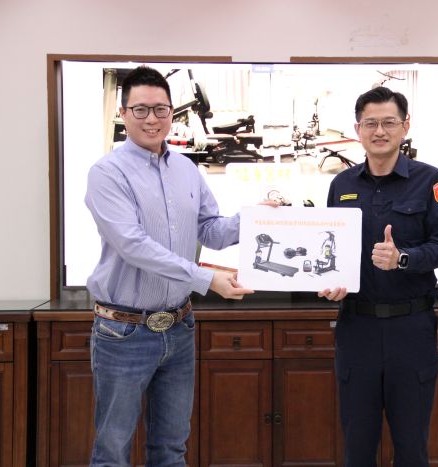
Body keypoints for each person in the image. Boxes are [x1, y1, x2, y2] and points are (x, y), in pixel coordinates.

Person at [84, 66, 258, 466]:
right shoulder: (107, 173)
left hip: (179, 328)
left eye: (160, 109)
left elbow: (211, 230)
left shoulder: (186, 169)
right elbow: (133, 245)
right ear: (124, 113)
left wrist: (258, 220)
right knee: (112, 451)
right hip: (123, 331)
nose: (152, 119)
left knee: (171, 449)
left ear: (171, 112)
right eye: (140, 109)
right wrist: (206, 279)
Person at [319, 86, 438, 466]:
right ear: (358, 129)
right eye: (371, 123)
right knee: (357, 446)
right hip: (356, 328)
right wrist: (328, 282)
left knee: (411, 447)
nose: (380, 131)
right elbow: (330, 249)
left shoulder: (431, 180)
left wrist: (403, 258)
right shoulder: (341, 184)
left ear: (405, 126)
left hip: (410, 329)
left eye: (389, 122)